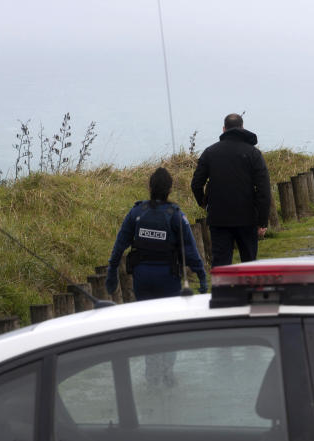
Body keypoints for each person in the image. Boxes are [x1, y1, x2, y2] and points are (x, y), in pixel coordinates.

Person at [105, 167, 207, 301]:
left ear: (150, 187)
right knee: (168, 316)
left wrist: (112, 270)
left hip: (141, 276)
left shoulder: (137, 212)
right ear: (170, 189)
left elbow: (120, 244)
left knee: (146, 315)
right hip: (168, 276)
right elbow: (190, 249)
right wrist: (201, 275)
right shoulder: (176, 215)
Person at [190, 113, 271, 267]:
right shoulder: (253, 153)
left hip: (219, 219)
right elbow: (264, 190)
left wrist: (204, 205)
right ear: (242, 127)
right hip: (247, 218)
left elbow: (196, 184)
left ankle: (222, 291)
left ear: (223, 129)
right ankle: (250, 291)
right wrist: (262, 221)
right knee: (250, 264)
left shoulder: (210, 152)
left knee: (221, 265)